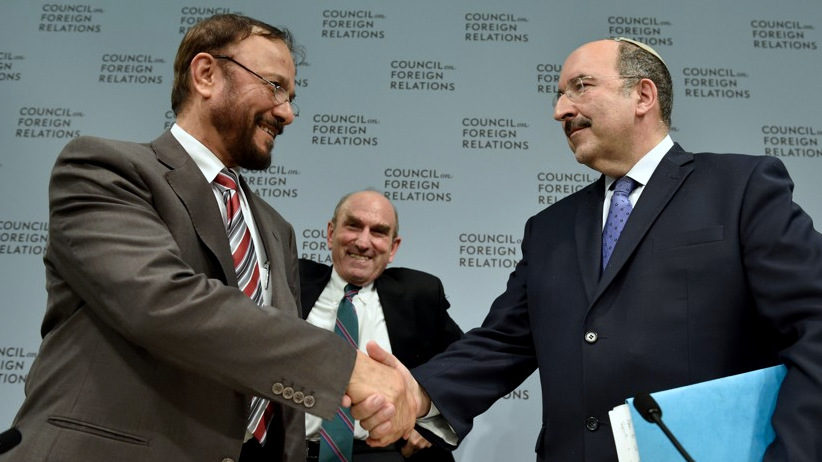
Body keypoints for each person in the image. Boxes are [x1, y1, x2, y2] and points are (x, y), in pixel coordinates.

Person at [354, 38, 822, 461]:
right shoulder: (550, 229)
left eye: (580, 87)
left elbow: (814, 323)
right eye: (559, 95)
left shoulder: (740, 189)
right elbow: (503, 342)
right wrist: (416, 392)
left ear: (642, 95)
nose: (561, 110)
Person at [4, 14, 413, 462]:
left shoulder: (277, 229)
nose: (288, 113)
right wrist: (345, 368)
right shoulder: (105, 169)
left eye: (292, 97)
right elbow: (161, 302)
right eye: (275, 86)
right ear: (206, 75)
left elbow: (276, 376)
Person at [295, 190, 461, 462]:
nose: (363, 242)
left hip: (383, 454)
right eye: (353, 226)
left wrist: (428, 422)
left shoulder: (420, 294)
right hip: (295, 452)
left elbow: (460, 367)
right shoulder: (291, 281)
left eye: (378, 232)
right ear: (330, 232)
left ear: (393, 247)